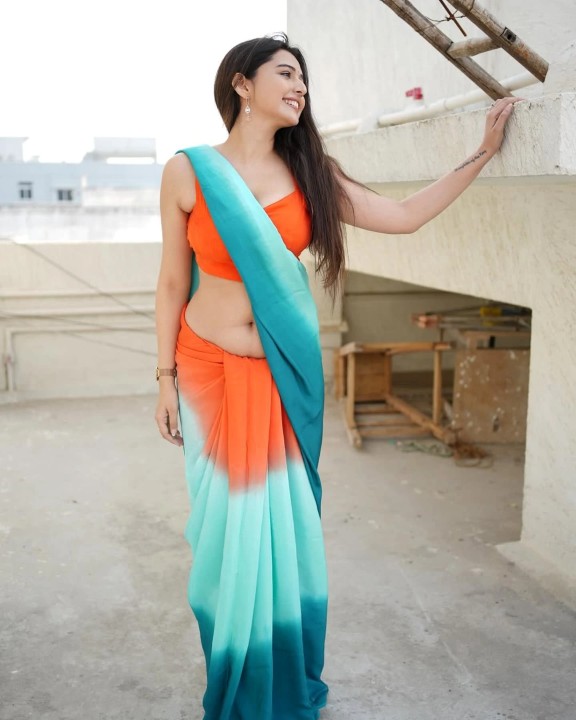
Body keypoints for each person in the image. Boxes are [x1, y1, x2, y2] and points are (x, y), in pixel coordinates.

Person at [154, 32, 520, 720]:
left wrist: (482, 152)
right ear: (241, 83)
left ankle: (278, 679)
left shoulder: (309, 171)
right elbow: (173, 280)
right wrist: (163, 376)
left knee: (279, 533)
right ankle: (234, 674)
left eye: (303, 78)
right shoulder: (188, 171)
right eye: (285, 73)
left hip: (279, 375)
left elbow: (404, 217)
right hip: (204, 372)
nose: (300, 87)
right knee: (223, 539)